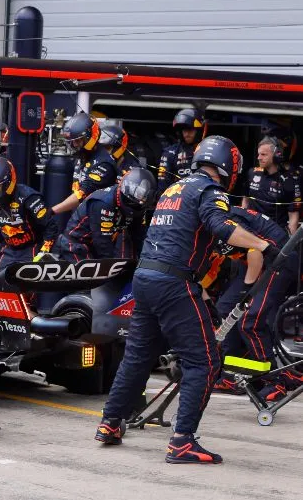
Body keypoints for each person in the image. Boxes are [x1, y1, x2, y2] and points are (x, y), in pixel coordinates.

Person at [95, 136, 280, 464]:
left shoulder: (173, 190)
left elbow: (195, 239)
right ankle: (182, 441)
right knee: (205, 362)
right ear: (229, 164)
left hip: (145, 278)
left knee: (137, 357)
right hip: (171, 283)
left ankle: (110, 423)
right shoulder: (210, 190)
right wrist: (264, 245)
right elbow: (221, 226)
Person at [204, 207, 301, 399]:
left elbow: (255, 250)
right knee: (225, 313)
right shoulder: (206, 221)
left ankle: (276, 381)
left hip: (279, 259)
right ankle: (233, 375)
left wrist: (246, 294)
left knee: (250, 320)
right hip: (257, 263)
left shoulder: (221, 218)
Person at [0, 157, 58, 270]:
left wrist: (44, 252)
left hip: (33, 248)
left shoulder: (29, 197)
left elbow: (50, 226)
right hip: (10, 250)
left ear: (8, 182)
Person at [56, 168, 156, 262]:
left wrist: (147, 260)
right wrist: (110, 266)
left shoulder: (140, 207)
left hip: (96, 246)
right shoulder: (103, 202)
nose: (137, 201)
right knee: (95, 277)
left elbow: (139, 236)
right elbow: (102, 242)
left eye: (142, 197)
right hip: (75, 245)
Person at [52, 113, 117, 215]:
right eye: (71, 142)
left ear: (90, 137)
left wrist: (52, 211)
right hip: (81, 217)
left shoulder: (104, 164)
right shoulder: (82, 157)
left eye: (77, 141)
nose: (74, 145)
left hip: (99, 220)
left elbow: (82, 194)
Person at [241, 137, 299, 234]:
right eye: (259, 154)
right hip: (251, 230)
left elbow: (293, 217)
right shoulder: (252, 173)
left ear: (277, 156)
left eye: (263, 154)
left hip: (274, 234)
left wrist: (288, 246)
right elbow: (245, 200)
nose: (259, 157)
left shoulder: (289, 180)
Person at [156, 108, 204, 195]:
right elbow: (162, 187)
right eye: (184, 130)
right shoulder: (170, 153)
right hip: (178, 199)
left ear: (199, 130)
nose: (186, 133)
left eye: (190, 129)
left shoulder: (208, 150)